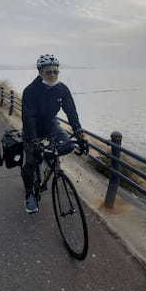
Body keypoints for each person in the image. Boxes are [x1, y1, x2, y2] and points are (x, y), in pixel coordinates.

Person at [21, 54, 84, 213]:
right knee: (31, 162)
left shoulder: (62, 89)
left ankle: (48, 157)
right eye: (49, 72)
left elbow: (71, 112)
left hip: (50, 124)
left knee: (68, 146)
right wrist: (34, 142)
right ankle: (30, 195)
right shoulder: (30, 91)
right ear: (40, 72)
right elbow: (28, 118)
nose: (53, 75)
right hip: (33, 128)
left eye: (56, 71)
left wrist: (79, 133)